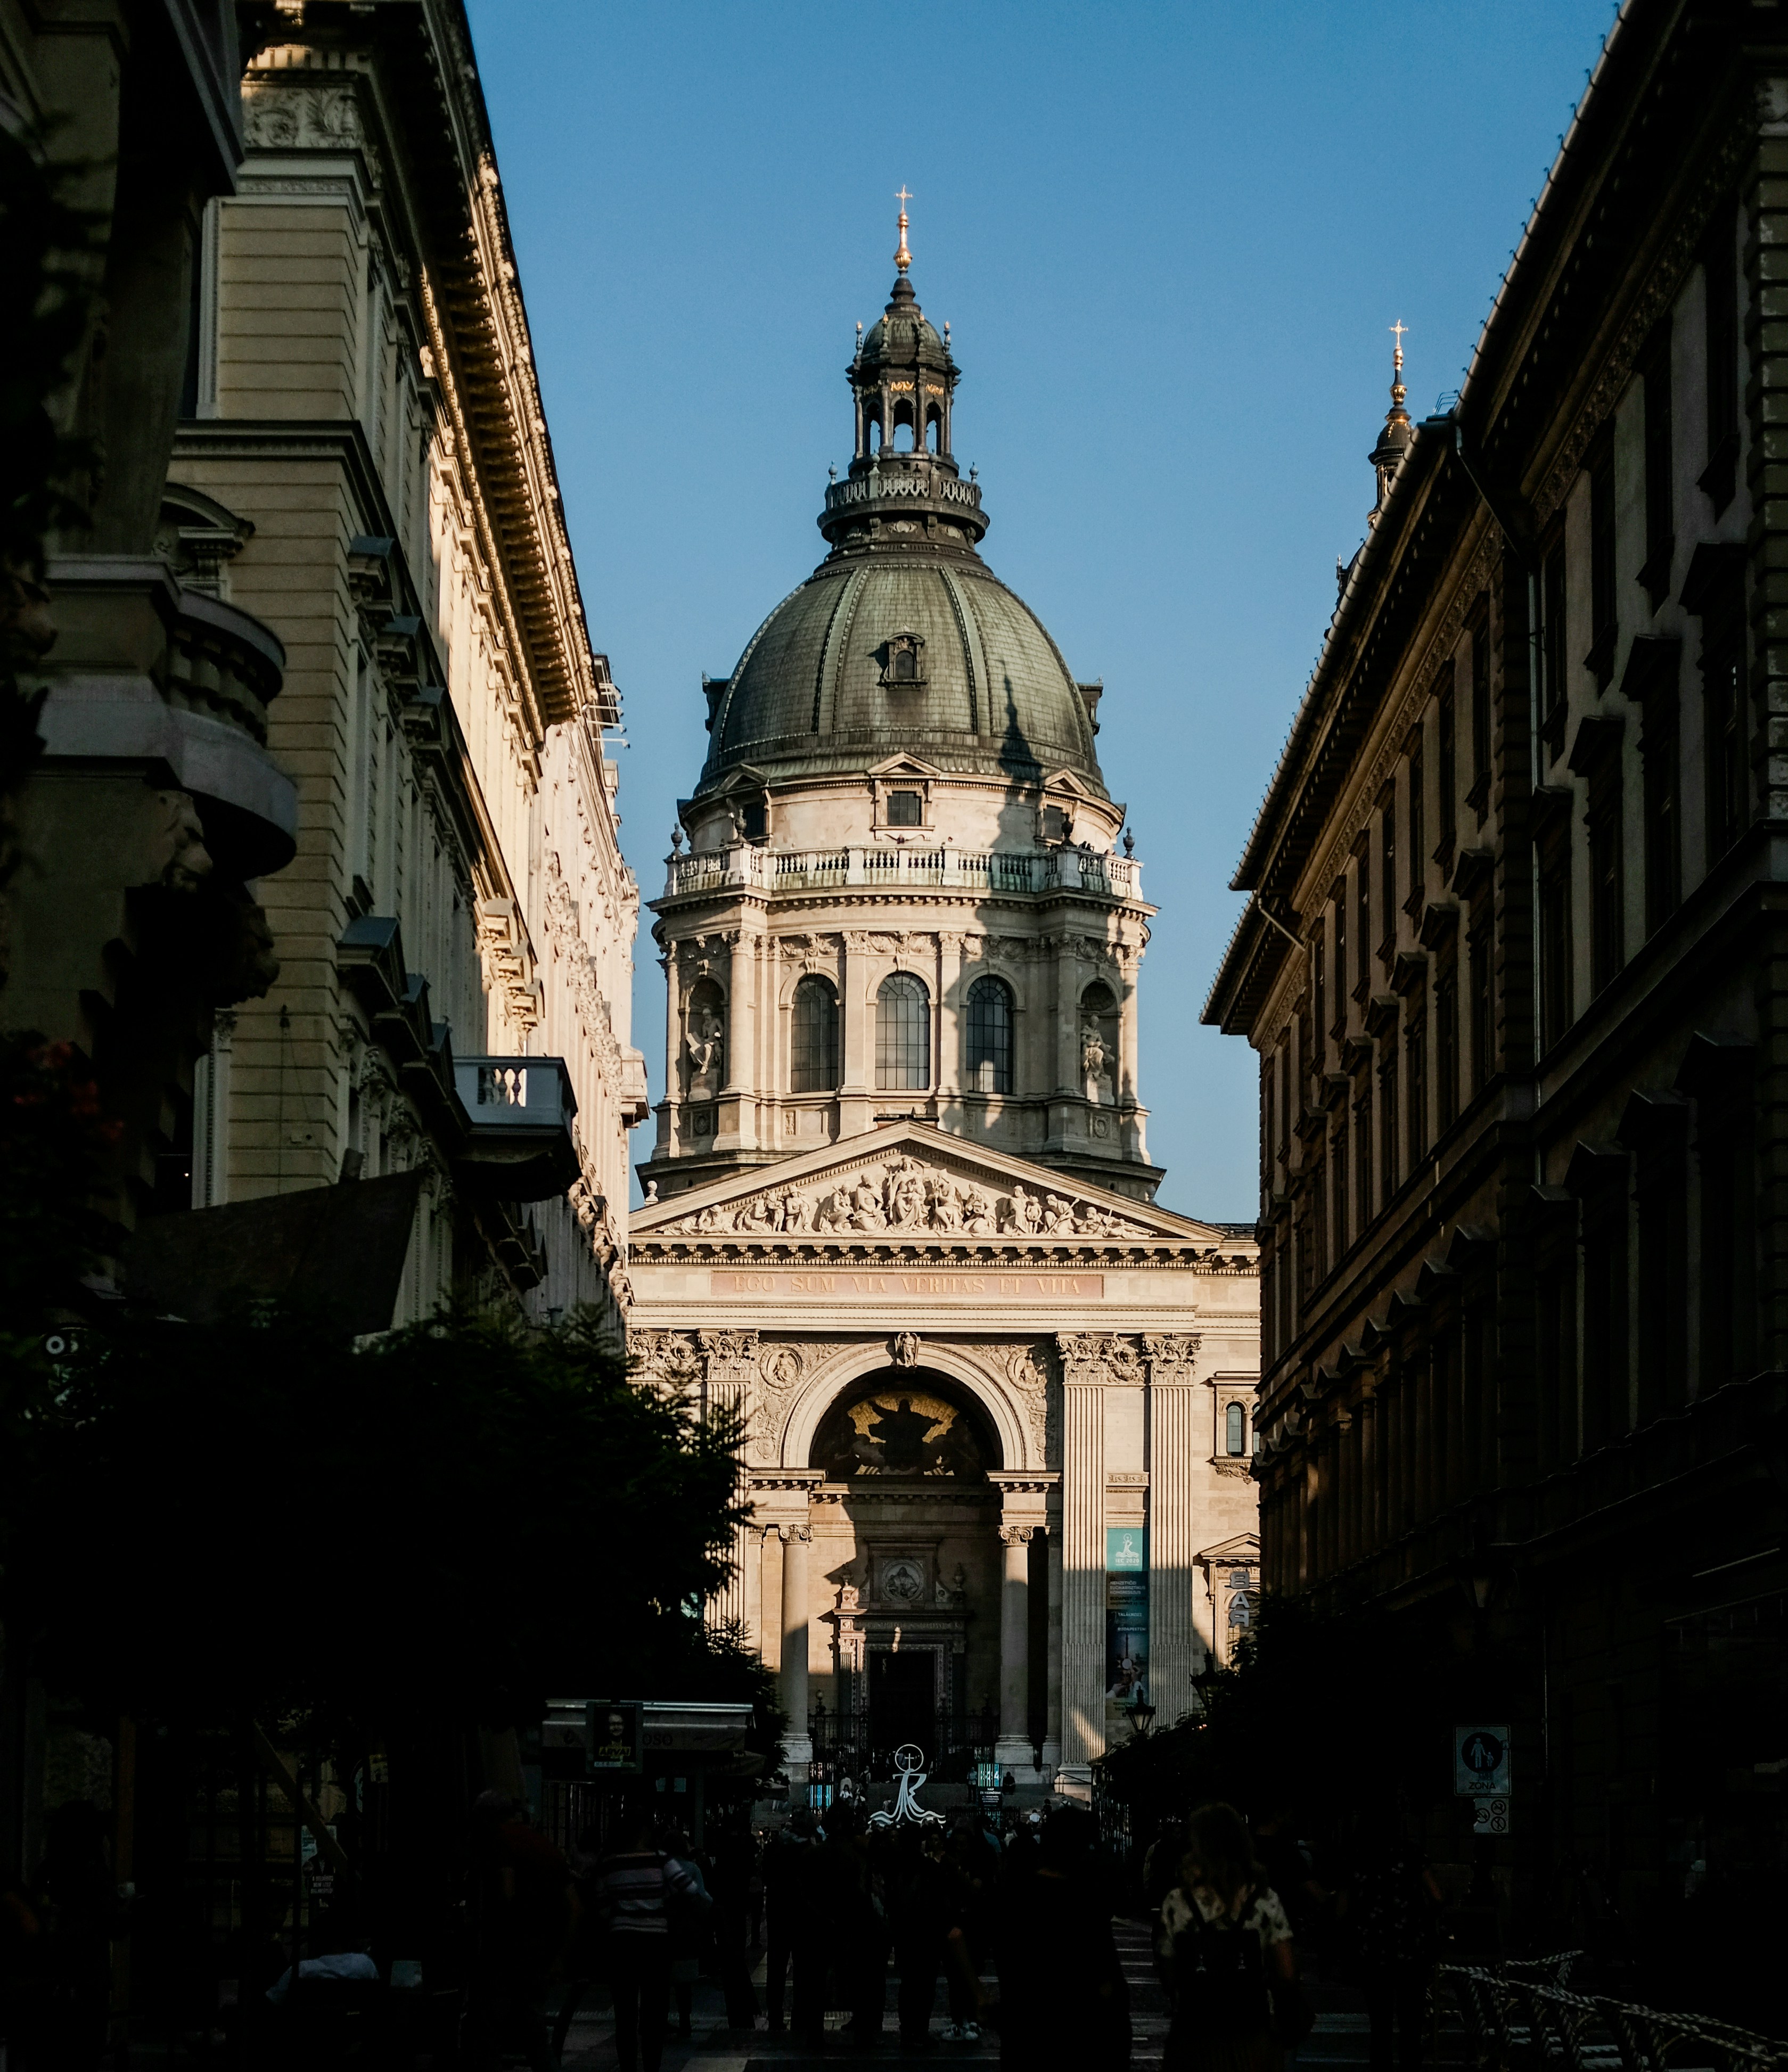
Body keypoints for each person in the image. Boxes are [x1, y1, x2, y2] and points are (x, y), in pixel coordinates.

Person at [1156, 1800, 1300, 2072]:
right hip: (1250, 2025)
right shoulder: (1263, 1900)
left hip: (1195, 2027)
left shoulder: (1179, 1901)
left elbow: (1168, 1969)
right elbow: (1287, 1972)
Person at [991, 1807, 1128, 2070]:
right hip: (1078, 2036)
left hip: (1024, 2036)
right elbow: (1107, 1982)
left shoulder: (1013, 1900)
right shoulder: (1085, 1903)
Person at [466, 1791, 577, 2072]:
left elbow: (506, 1891)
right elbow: (575, 1904)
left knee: (487, 2030)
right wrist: (560, 1955)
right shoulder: (544, 1845)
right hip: (541, 1952)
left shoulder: (499, 1842)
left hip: (508, 1951)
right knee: (532, 2027)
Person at [591, 1807, 702, 2072]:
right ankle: (652, 2066)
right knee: (654, 2011)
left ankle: (628, 2067)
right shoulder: (661, 1860)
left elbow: (602, 1907)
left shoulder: (609, 1863)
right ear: (645, 1833)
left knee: (625, 2014)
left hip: (621, 1942)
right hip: (655, 1942)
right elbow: (690, 1890)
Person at [1340, 1827, 1442, 2072]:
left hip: (1374, 1951)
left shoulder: (1356, 1856)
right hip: (1411, 1949)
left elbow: (1341, 1910)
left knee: (1380, 2026)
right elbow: (1436, 1897)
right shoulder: (1412, 1852)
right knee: (1411, 2025)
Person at [761, 1812, 814, 2033]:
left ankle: (775, 2016)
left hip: (778, 1909)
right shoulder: (808, 1851)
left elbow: (764, 1873)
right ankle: (800, 2016)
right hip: (802, 1912)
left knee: (776, 1967)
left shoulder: (774, 1846)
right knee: (803, 1968)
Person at [660, 1822, 710, 2041]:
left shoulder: (660, 1866)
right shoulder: (691, 1868)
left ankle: (659, 2019)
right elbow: (702, 1896)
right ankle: (685, 2021)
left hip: (663, 1927)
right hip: (686, 1928)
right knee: (684, 1982)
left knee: (660, 1979)